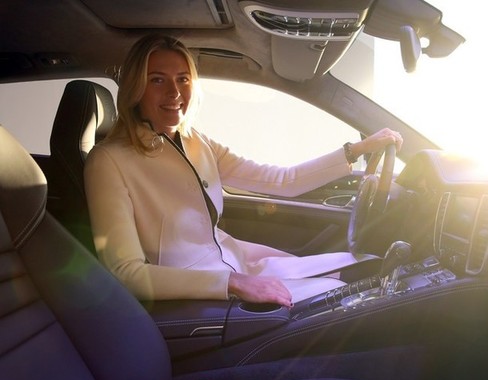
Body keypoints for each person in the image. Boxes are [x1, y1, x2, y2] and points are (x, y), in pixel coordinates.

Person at [84, 34, 403, 308]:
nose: (175, 93)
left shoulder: (195, 140)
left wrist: (356, 150)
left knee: (368, 268)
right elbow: (126, 273)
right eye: (157, 80)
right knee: (352, 302)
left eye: (183, 79)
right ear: (135, 88)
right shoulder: (108, 161)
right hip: (202, 295)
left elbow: (283, 181)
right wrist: (232, 284)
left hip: (242, 267)